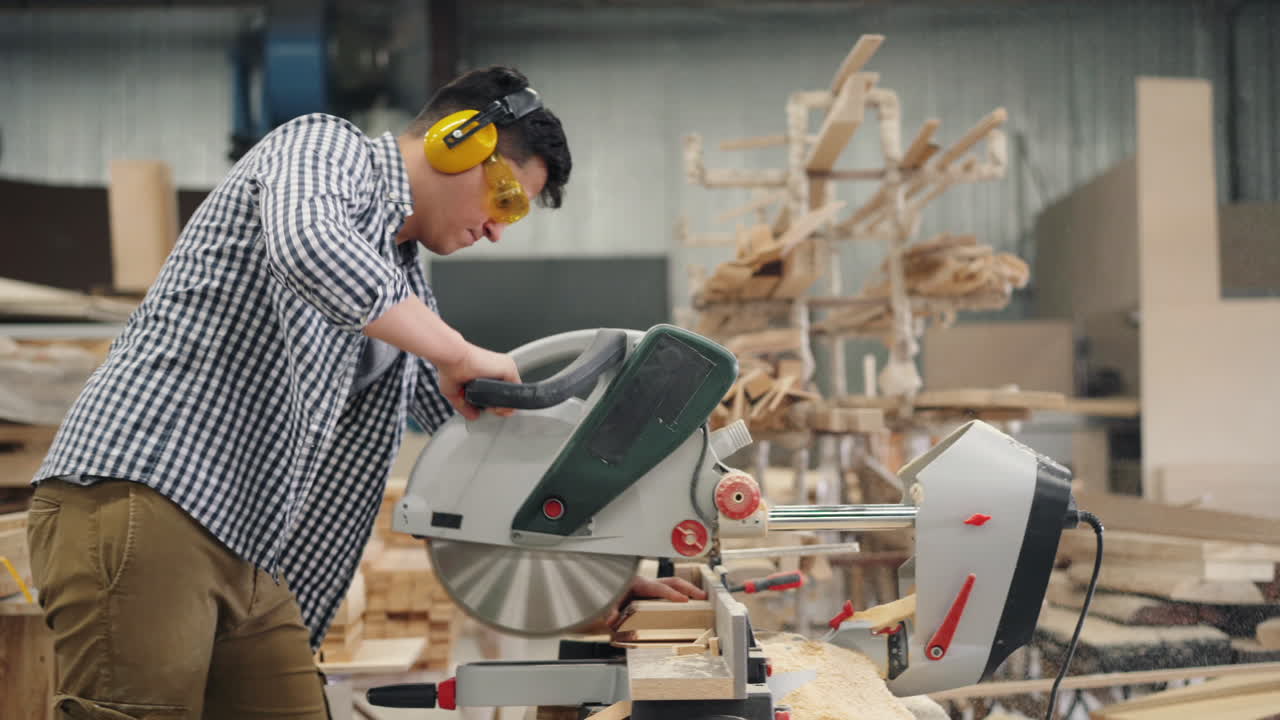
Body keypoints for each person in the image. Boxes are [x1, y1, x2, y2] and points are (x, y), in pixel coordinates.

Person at [27, 65, 698, 720]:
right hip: (147, 499)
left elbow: (476, 445)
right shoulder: (323, 147)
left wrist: (587, 571)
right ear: (458, 140)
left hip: (248, 547)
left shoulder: (402, 285)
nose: (497, 229)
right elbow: (311, 248)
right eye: (506, 199)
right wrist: (455, 348)